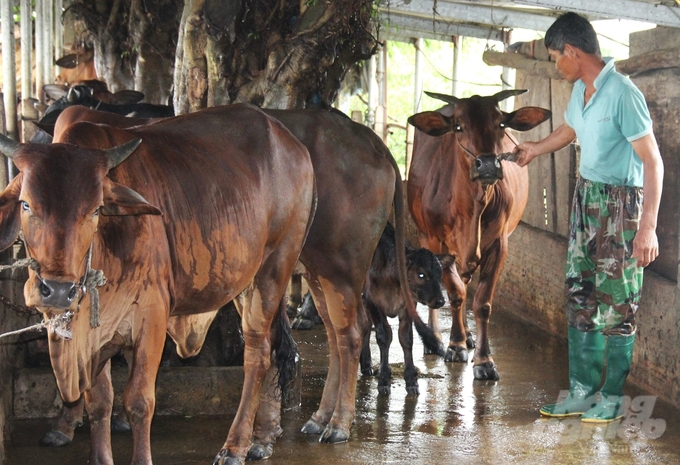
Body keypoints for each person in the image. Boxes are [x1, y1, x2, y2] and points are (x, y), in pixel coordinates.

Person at [513, 12, 664, 423]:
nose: (554, 65)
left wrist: (647, 227)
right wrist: (533, 149)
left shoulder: (622, 92)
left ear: (573, 52)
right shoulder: (581, 89)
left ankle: (612, 397)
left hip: (621, 206)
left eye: (554, 57)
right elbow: (568, 131)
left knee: (618, 300)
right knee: (579, 293)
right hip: (586, 200)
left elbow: (653, 162)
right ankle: (581, 392)